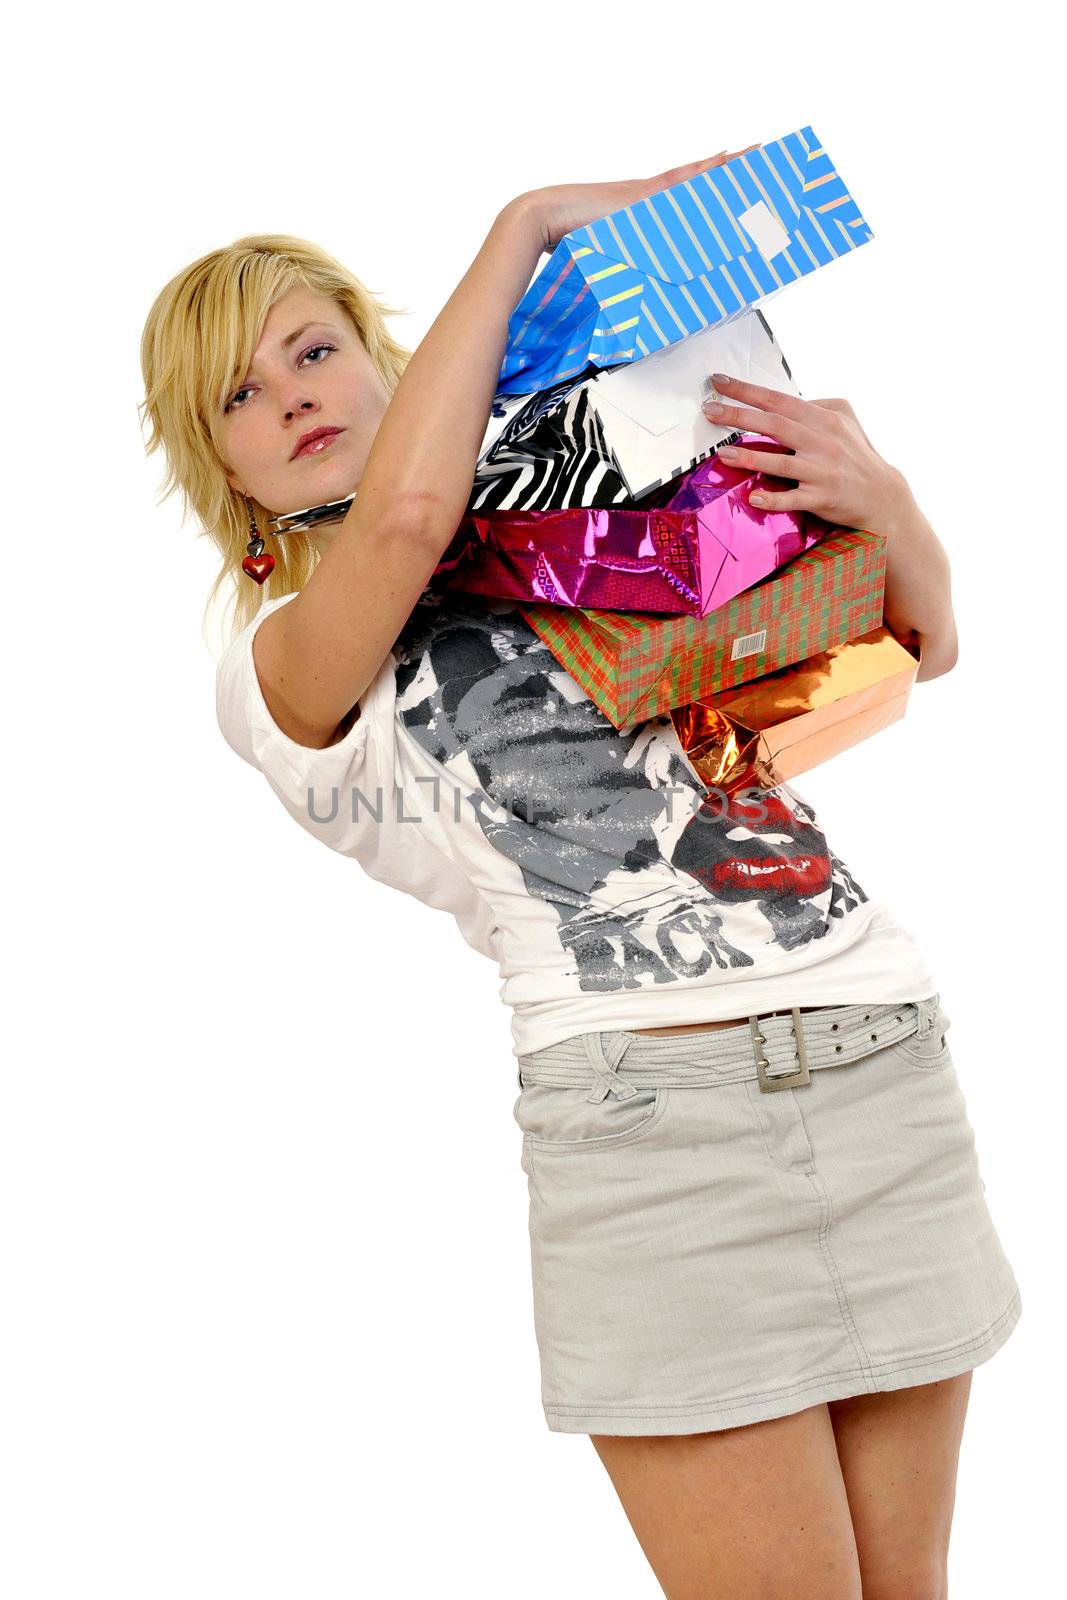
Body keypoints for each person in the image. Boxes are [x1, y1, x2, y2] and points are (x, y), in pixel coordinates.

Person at [139, 152, 1022, 1598]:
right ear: (221, 473)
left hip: (883, 1055)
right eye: (239, 395)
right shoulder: (281, 672)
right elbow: (410, 521)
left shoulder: (586, 529)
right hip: (654, 1133)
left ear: (383, 367)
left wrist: (891, 503)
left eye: (314, 350)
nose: (291, 395)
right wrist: (526, 225)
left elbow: (919, 640)